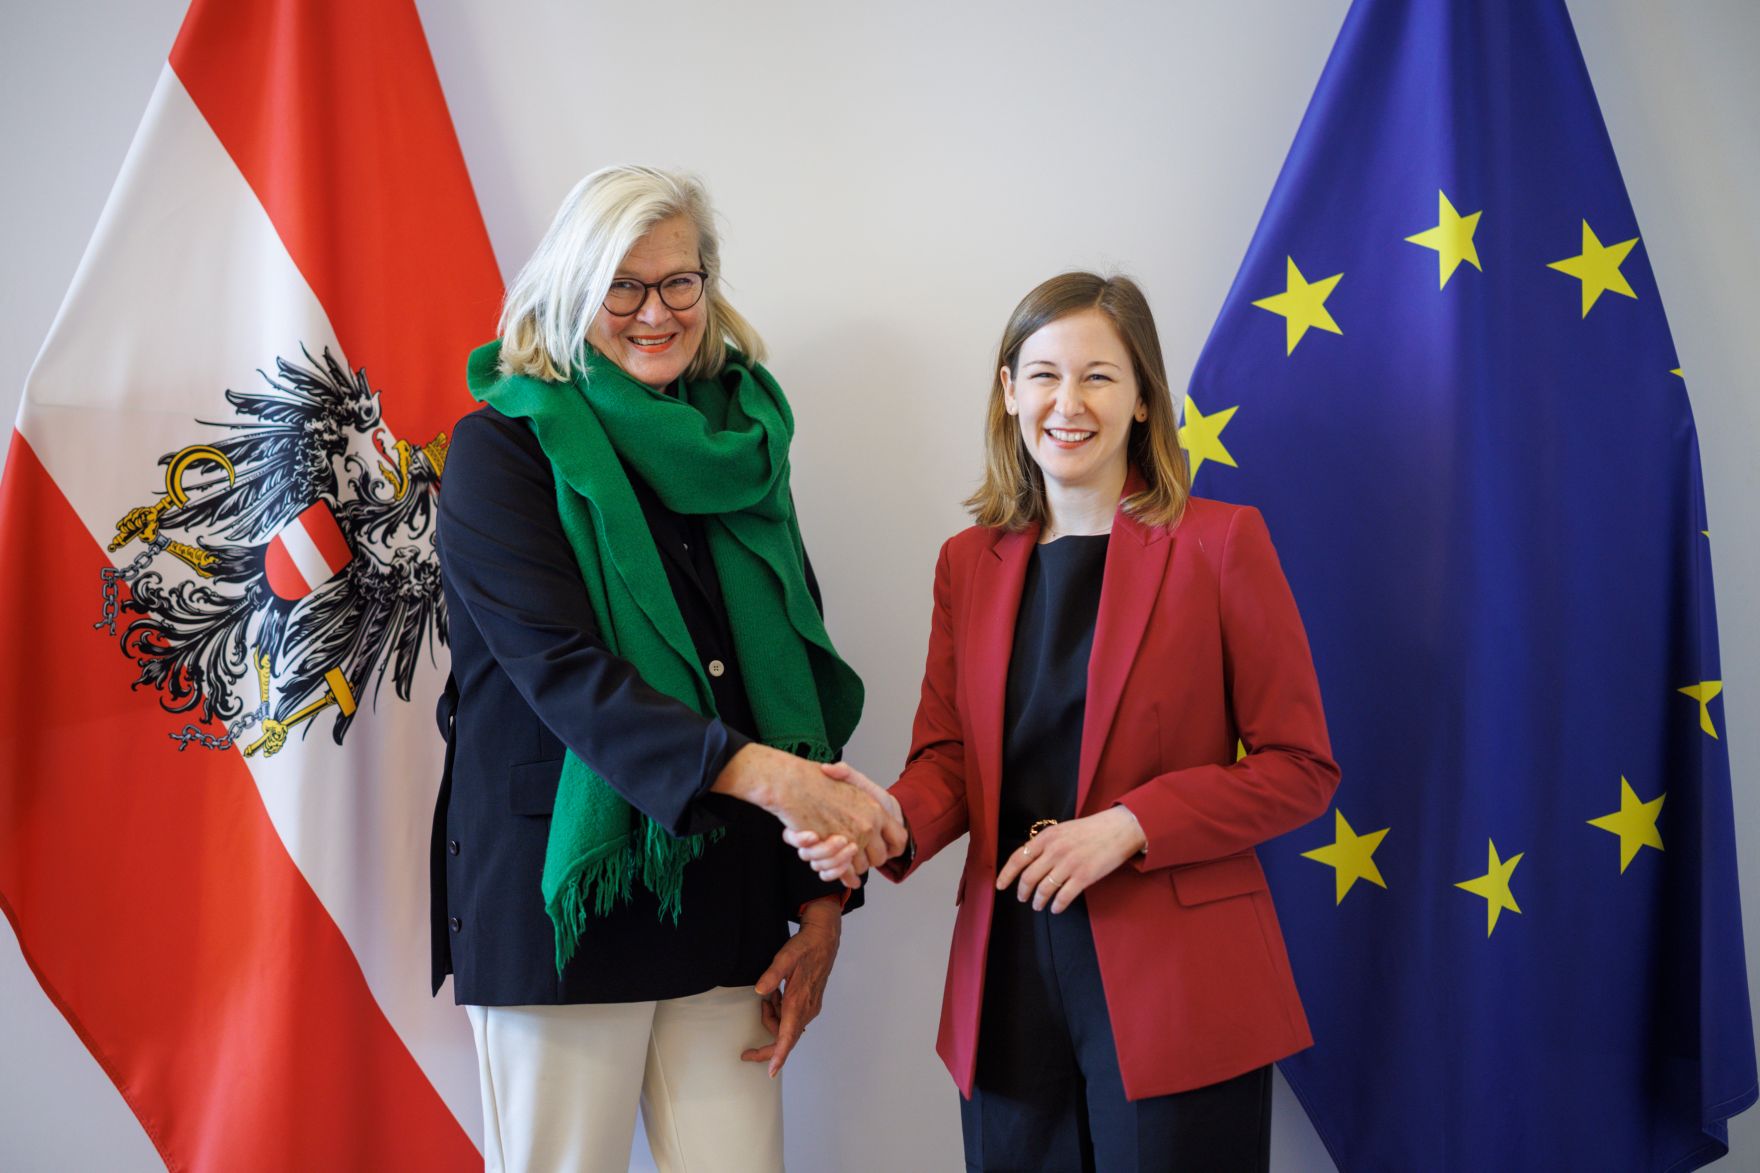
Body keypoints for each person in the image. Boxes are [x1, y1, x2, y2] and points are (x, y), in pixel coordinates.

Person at [794, 272, 1340, 1171]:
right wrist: (883, 820)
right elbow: (950, 759)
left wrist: (1130, 825)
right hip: (1008, 975)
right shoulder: (966, 562)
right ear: (1010, 392)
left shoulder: (1220, 543)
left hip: (1179, 980)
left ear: (1142, 398)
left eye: (1099, 376)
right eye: (1045, 374)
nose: (1069, 402)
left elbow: (1299, 766)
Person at [430, 164, 901, 1172]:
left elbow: (784, 677)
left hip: (725, 899)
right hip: (564, 906)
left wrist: (821, 900)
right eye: (622, 286)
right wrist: (781, 784)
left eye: (678, 281)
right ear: (571, 290)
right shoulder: (500, 450)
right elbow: (565, 675)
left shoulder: (738, 448)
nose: (656, 312)